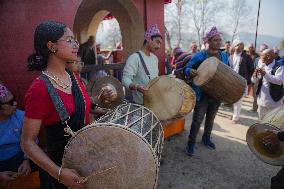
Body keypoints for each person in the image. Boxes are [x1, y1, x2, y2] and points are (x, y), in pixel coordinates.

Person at [21, 20, 91, 189]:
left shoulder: (73, 77)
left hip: (88, 159)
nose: (76, 44)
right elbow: (27, 142)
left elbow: (83, 112)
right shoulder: (39, 89)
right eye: (69, 40)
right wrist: (58, 173)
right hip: (64, 168)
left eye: (75, 40)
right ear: (52, 46)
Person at [184, 26, 229, 156]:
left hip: (217, 94)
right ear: (208, 41)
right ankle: (191, 144)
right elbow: (187, 68)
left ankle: (206, 138)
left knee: (210, 119)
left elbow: (228, 72)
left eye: (219, 40)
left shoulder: (224, 56)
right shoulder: (200, 55)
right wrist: (189, 71)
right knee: (197, 120)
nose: (218, 42)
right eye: (215, 40)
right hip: (202, 94)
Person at [0, 83, 32, 186]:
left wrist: (26, 160)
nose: (15, 103)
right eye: (10, 102)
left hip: (20, 156)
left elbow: (30, 141)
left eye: (13, 99)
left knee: (45, 165)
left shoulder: (20, 116)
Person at [122, 24, 162, 105]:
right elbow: (125, 79)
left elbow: (155, 78)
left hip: (154, 102)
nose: (159, 46)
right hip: (140, 104)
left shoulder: (155, 58)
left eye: (160, 43)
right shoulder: (134, 57)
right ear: (148, 39)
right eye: (157, 42)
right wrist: (137, 87)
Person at [252, 48, 284, 119]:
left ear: (268, 57)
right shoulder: (262, 65)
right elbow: (255, 81)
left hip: (274, 101)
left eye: (261, 55)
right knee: (261, 120)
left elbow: (279, 81)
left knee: (272, 123)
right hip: (261, 100)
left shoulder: (279, 67)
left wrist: (265, 74)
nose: (260, 57)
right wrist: (255, 76)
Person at [229, 39, 254, 123]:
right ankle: (234, 115)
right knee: (233, 98)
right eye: (238, 44)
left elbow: (251, 70)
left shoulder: (247, 57)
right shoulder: (231, 57)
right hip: (232, 81)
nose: (240, 46)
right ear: (234, 46)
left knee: (238, 100)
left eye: (242, 44)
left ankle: (235, 118)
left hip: (242, 81)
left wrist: (247, 79)